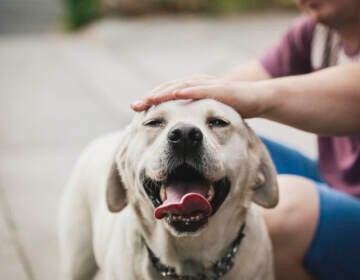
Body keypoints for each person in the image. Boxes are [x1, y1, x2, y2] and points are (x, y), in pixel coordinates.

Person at [131, 0, 360, 279]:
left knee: (286, 210)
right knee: (228, 144)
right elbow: (221, 92)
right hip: (333, 179)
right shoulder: (315, 32)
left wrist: (259, 98)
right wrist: (159, 126)